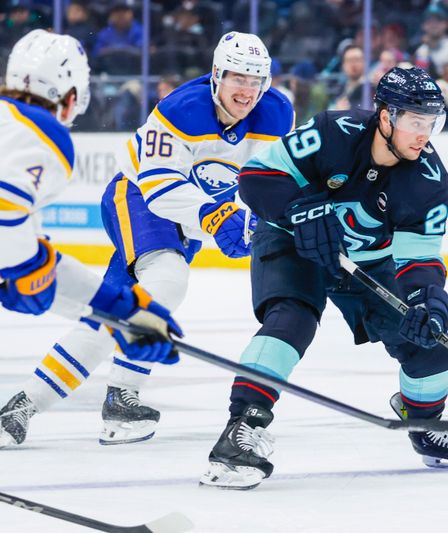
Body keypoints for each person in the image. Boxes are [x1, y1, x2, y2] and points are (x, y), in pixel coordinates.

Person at [199, 66, 448, 490]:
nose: (424, 134)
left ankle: (425, 424)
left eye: (431, 123)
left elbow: (420, 258)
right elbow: (256, 178)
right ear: (386, 116)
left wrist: (427, 300)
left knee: (430, 343)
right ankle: (241, 427)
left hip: (369, 263)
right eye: (415, 121)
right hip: (292, 241)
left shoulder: (428, 180)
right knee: (291, 319)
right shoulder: (334, 130)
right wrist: (299, 209)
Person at [0, 31, 294, 449]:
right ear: (216, 74)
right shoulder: (182, 108)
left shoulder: (278, 114)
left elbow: (269, 181)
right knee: (165, 282)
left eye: (254, 80)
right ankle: (117, 392)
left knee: (118, 307)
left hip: (189, 221)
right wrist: (216, 216)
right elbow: (157, 185)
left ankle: (32, 403)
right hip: (138, 197)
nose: (245, 90)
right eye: (236, 77)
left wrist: (256, 220)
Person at [0, 30, 182, 446]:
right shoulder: (41, 133)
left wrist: (118, 307)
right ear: (69, 98)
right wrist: (26, 270)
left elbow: (27, 252)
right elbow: (8, 225)